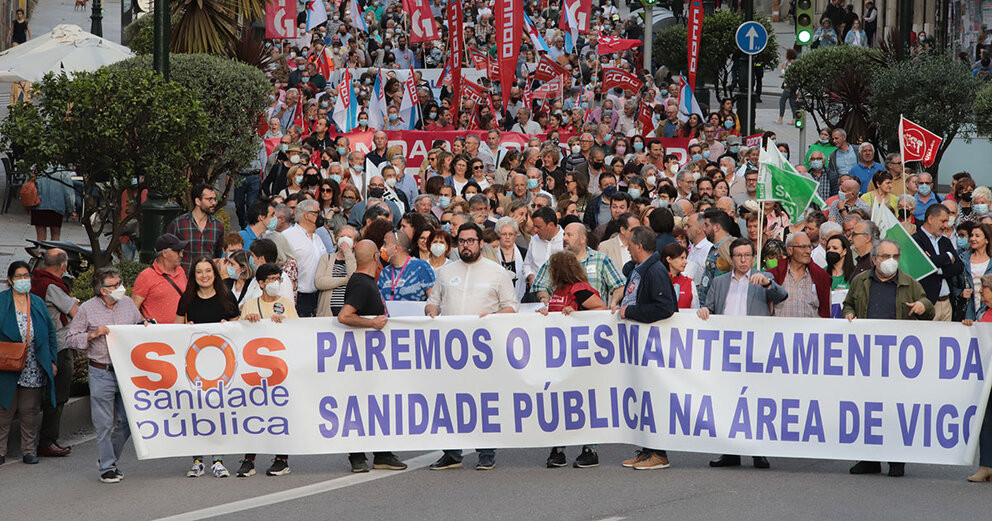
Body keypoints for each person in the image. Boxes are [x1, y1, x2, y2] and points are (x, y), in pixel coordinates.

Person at [426, 223, 518, 471]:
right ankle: (452, 452)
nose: (466, 245)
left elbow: (512, 306)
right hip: (450, 348)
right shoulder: (445, 272)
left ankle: (486, 451)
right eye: (462, 241)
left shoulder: (497, 272)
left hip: (483, 351)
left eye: (471, 241)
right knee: (449, 400)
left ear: (480, 243)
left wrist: (491, 319)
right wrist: (432, 312)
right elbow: (433, 302)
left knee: (483, 400)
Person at [843, 239, 933, 477]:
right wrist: (850, 313)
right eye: (885, 256)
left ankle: (896, 460)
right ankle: (869, 459)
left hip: (898, 361)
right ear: (874, 259)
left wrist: (923, 306)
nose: (891, 261)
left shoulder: (909, 283)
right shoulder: (861, 281)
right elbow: (848, 305)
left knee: (895, 409)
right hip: (867, 358)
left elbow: (928, 306)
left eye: (895, 256)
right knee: (868, 408)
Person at [697, 238, 787, 470]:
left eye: (748, 255)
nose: (744, 259)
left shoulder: (763, 278)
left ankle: (758, 451)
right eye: (739, 255)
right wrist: (705, 311)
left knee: (754, 402)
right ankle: (730, 452)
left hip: (754, 350)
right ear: (732, 258)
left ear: (753, 256)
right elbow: (710, 308)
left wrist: (768, 284)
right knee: (726, 400)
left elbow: (781, 296)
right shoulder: (719, 282)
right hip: (725, 350)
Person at [67, 267, 148, 483]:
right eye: (114, 285)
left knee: (128, 420)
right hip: (101, 370)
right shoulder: (86, 309)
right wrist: (93, 334)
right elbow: (71, 338)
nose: (120, 288)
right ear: (103, 290)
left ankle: (107, 457)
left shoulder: (128, 303)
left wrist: (145, 325)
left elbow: (137, 325)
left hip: (127, 372)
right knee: (103, 423)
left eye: (120, 283)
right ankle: (107, 467)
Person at [337, 239, 409, 473]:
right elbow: (345, 316)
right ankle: (359, 456)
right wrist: (372, 323)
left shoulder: (364, 281)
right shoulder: (361, 283)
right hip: (361, 358)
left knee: (375, 405)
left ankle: (381, 454)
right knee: (362, 405)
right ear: (377, 257)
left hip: (369, 357)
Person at [615, 226, 678, 470]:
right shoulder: (640, 269)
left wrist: (629, 311)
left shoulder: (655, 271)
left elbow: (665, 307)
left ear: (639, 246)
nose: (627, 247)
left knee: (652, 395)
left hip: (653, 345)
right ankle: (647, 449)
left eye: (630, 243)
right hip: (638, 344)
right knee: (641, 396)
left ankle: (658, 452)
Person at [539, 250, 608, 469]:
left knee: (584, 401)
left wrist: (578, 313)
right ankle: (558, 448)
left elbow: (601, 309)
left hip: (581, 355)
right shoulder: (558, 290)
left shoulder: (580, 289)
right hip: (561, 356)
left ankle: (590, 448)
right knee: (560, 402)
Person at [175, 257, 240, 478]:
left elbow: (238, 327)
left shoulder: (226, 297)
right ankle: (197, 460)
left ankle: (218, 459)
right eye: (199, 272)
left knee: (218, 413)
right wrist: (186, 329)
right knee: (197, 413)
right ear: (194, 277)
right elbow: (174, 330)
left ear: (215, 273)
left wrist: (228, 327)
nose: (204, 276)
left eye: (208, 271)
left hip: (223, 366)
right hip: (195, 367)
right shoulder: (186, 300)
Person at [238, 263, 298, 477]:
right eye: (271, 279)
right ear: (261, 283)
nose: (276, 283)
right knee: (253, 411)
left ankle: (282, 459)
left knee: (280, 412)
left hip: (279, 370)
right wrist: (248, 321)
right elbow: (240, 334)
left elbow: (299, 332)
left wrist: (285, 324)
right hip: (255, 370)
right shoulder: (250, 305)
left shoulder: (287, 305)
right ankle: (248, 459)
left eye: (278, 279)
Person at [0, 261, 57, 466]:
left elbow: (50, 332)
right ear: (10, 280)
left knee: (30, 411)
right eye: (19, 276)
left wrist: (52, 360)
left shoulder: (37, 302)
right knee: (4, 410)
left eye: (26, 276)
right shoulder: (2, 301)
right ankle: (0, 451)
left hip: (34, 364)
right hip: (6, 364)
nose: (23, 280)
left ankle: (29, 450)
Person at [30, 250, 77, 458]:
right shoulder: (52, 286)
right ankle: (48, 440)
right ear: (63, 266)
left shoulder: (37, 281)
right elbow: (74, 312)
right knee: (58, 394)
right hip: (58, 344)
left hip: (42, 343)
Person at [533, 223, 625, 307]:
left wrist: (613, 303)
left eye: (569, 235)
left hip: (594, 318)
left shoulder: (601, 259)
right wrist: (543, 298)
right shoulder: (555, 261)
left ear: (582, 238)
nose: (564, 238)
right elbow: (540, 286)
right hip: (561, 320)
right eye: (564, 235)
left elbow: (620, 285)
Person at [963, 273, 992, 481]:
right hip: (985, 374)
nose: (981, 294)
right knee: (986, 419)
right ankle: (986, 466)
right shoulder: (984, 312)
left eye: (985, 290)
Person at [912, 204, 962, 321]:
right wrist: (948, 257)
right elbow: (923, 264)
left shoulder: (945, 241)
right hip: (927, 304)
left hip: (947, 303)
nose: (946, 225)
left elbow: (959, 266)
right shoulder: (915, 240)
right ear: (930, 219)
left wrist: (938, 270)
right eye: (943, 221)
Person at [768, 232, 831, 318]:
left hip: (810, 330)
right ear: (790, 250)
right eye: (803, 247)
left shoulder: (820, 277)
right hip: (781, 330)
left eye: (809, 247)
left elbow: (825, 312)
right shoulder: (775, 275)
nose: (808, 251)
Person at [283, 199, 328, 317]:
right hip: (299, 297)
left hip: (319, 296)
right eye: (317, 213)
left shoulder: (318, 238)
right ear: (306, 215)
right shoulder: (288, 236)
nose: (320, 216)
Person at [132, 233, 189, 325]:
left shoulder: (180, 271)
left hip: (181, 331)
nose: (181, 255)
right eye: (178, 251)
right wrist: (145, 323)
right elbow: (133, 308)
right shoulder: (146, 276)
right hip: (158, 335)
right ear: (165, 253)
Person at [166, 185, 225, 272]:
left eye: (215, 199)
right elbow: (169, 253)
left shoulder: (218, 226)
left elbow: (218, 254)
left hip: (207, 278)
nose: (214, 203)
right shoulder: (179, 224)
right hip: (185, 278)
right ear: (198, 201)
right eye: (209, 199)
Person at [378, 230, 435, 302]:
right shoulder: (385, 272)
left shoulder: (420, 267)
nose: (382, 248)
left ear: (396, 248)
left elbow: (433, 299)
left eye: (385, 244)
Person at [315, 226, 358, 317]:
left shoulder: (357, 260)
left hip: (349, 313)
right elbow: (319, 282)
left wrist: (348, 253)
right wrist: (345, 280)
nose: (345, 239)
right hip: (327, 313)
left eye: (349, 237)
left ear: (355, 243)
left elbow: (354, 279)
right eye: (342, 236)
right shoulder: (326, 258)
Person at [958, 223, 992, 323]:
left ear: (986, 240)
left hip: (987, 310)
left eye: (977, 236)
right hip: (967, 310)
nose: (973, 239)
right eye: (971, 235)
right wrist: (961, 293)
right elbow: (954, 284)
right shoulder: (962, 259)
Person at [31, 170, 76, 242]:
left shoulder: (35, 169)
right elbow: (69, 193)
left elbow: (26, 187)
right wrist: (72, 209)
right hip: (57, 207)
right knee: (55, 236)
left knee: (40, 237)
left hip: (38, 206)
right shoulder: (62, 172)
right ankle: (54, 252)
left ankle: (41, 252)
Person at [495, 216, 528, 301]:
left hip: (521, 298)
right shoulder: (493, 253)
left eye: (511, 234)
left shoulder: (524, 253)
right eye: (504, 234)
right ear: (498, 235)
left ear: (515, 235)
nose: (507, 237)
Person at [825, 234, 856, 317]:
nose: (830, 251)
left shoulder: (855, 274)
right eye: (828, 248)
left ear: (844, 251)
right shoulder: (822, 273)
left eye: (835, 248)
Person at [660, 243, 698, 309]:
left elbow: (695, 309)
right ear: (669, 259)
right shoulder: (657, 281)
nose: (685, 262)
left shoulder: (689, 283)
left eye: (685, 258)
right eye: (682, 258)